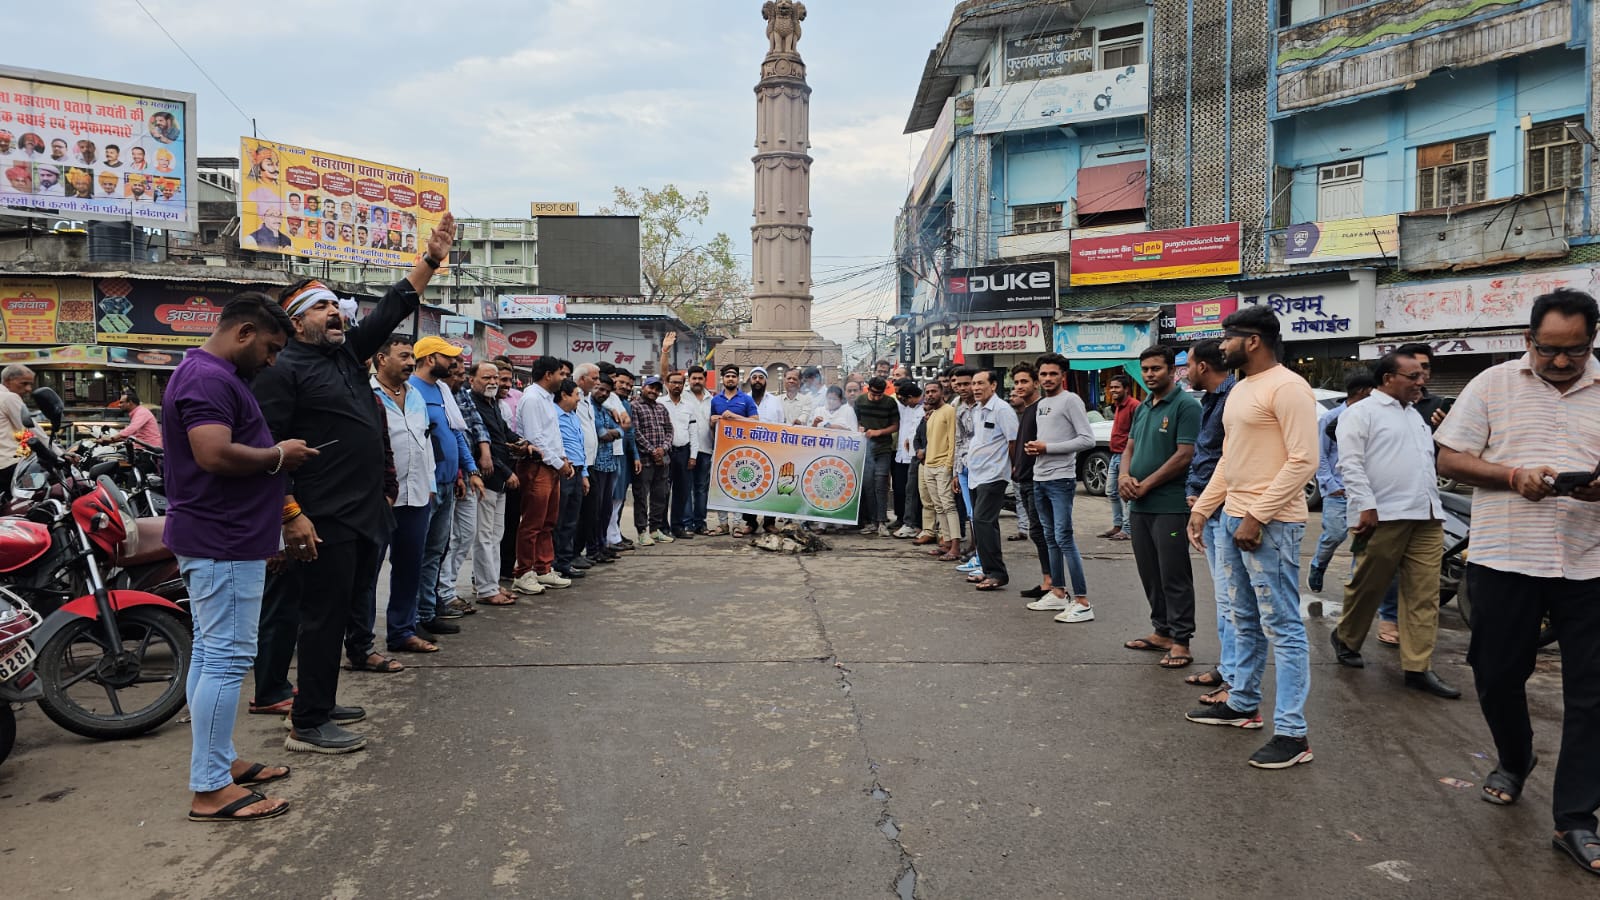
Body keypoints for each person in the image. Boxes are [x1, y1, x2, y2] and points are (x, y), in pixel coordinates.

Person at [251, 212, 455, 754]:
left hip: (365, 510)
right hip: (320, 516)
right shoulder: (283, 370)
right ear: (296, 323)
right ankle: (309, 723)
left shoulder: (343, 354)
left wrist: (431, 260)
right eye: (321, 307)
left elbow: (392, 307)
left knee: (339, 611)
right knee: (318, 617)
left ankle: (318, 698)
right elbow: (268, 449)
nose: (335, 313)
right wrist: (290, 513)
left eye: (336, 306)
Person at [1435, 289, 1600, 874]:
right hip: (1506, 557)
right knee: (1496, 673)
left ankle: (1576, 819)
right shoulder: (1492, 384)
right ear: (1528, 338)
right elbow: (1449, 458)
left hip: (1590, 562)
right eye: (1547, 350)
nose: (1558, 362)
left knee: (1592, 694)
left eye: (1574, 352)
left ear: (1592, 340)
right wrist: (1511, 475)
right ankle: (1515, 755)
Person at [162, 292, 317, 823]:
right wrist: (280, 455)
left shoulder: (209, 374)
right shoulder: (208, 379)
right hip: (220, 538)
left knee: (211, 654)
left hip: (221, 536)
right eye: (271, 348)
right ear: (245, 333)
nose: (273, 361)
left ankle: (219, 763)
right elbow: (212, 452)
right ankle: (209, 788)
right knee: (227, 659)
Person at [1185, 304, 1319, 770]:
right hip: (1234, 519)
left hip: (1271, 524)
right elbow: (1231, 459)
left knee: (1282, 626)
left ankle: (1293, 733)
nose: (1221, 346)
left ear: (1253, 341)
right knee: (1242, 616)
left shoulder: (1289, 387)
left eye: (1227, 338)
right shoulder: (1241, 388)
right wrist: (1204, 508)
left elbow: (1304, 460)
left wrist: (1257, 516)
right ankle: (1242, 703)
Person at [1329, 352, 1459, 699]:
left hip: (1427, 515)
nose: (1421, 382)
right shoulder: (1360, 413)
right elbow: (1350, 464)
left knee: (1424, 593)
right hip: (1382, 515)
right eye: (1413, 376)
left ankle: (1418, 667)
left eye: (1423, 375)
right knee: (1369, 585)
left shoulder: (1416, 417)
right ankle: (1346, 637)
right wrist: (1366, 507)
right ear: (1388, 378)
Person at [1120, 345, 1201, 668]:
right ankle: (1162, 631)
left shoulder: (1185, 406)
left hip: (1169, 504)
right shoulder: (1144, 407)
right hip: (1140, 506)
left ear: (1172, 370)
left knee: (1173, 574)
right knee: (1149, 572)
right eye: (1146, 369)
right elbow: (1129, 446)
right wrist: (1124, 476)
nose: (1150, 374)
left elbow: (1184, 455)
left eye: (1156, 368)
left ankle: (1181, 640)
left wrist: (1146, 484)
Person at [410, 338, 484, 634]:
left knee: (435, 551)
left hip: (447, 483)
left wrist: (469, 470)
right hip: (423, 485)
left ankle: (428, 612)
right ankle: (412, 617)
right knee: (416, 552)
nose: (454, 363)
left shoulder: (443, 390)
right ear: (430, 359)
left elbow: (455, 434)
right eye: (448, 358)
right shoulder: (412, 389)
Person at [368, 337, 437, 654]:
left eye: (412, 356)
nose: (411, 362)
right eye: (404, 356)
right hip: (379, 498)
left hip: (417, 494)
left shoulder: (416, 396)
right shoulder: (366, 394)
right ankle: (362, 639)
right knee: (367, 571)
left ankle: (402, 632)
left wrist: (431, 483)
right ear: (381, 359)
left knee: (409, 566)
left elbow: (424, 442)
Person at [1181, 339, 1239, 699]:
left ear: (1202, 367)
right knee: (1223, 596)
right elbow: (1205, 453)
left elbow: (1229, 459)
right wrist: (1195, 491)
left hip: (1228, 508)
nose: (1185, 371)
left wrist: (1206, 498)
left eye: (1187, 364)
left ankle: (1236, 681)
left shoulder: (1234, 399)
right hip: (1208, 505)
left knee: (1233, 600)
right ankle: (1228, 667)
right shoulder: (1213, 400)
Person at [1024, 353, 1096, 622]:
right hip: (1040, 477)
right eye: (1043, 374)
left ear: (1063, 376)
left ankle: (1082, 601)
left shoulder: (1071, 400)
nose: (1047, 379)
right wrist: (1037, 448)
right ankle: (1057, 593)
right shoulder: (1043, 403)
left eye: (1053, 374)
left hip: (1061, 480)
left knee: (1064, 538)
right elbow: (1049, 439)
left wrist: (1048, 448)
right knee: (1050, 537)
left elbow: (1087, 440)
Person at [1307, 370, 1377, 595]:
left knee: (1363, 541)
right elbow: (1321, 454)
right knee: (1335, 535)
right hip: (1338, 491)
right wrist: (1330, 485)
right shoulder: (1331, 418)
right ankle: (1318, 564)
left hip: (1364, 492)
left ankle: (1354, 587)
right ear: (1363, 391)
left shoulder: (1373, 418)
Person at [513, 356, 572, 594]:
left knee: (548, 522)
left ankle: (543, 569)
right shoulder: (531, 399)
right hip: (537, 466)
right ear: (548, 375)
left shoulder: (547, 399)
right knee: (532, 523)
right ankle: (524, 573)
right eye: (561, 374)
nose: (564, 378)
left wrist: (563, 459)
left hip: (552, 466)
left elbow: (552, 436)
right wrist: (559, 463)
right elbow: (536, 439)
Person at [464, 362, 519, 605]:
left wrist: (524, 443)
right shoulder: (472, 405)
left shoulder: (493, 405)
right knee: (484, 536)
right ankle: (485, 588)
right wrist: (507, 471)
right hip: (487, 478)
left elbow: (505, 435)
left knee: (496, 534)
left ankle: (492, 583)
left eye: (496, 378)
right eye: (487, 377)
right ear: (471, 379)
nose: (493, 382)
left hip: (500, 481)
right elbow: (481, 445)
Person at [966, 370, 1018, 590]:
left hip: (994, 474)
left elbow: (1013, 440)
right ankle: (987, 570)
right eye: (974, 384)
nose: (976, 388)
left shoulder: (1002, 409)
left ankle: (998, 573)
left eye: (981, 384)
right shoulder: (978, 410)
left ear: (994, 385)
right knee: (984, 524)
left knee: (982, 520)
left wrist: (1013, 467)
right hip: (976, 474)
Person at [1007, 364, 1051, 596]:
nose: (1019, 387)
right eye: (1016, 383)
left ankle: (1051, 584)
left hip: (1037, 480)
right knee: (1036, 532)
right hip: (1023, 479)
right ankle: (1047, 580)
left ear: (1036, 383)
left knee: (1041, 532)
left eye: (1024, 381)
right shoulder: (1025, 410)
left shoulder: (1041, 409)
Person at [710, 364, 758, 535]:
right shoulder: (715, 400)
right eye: (727, 376)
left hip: (741, 451)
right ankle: (723, 524)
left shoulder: (746, 399)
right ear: (722, 379)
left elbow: (755, 421)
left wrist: (736, 417)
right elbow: (711, 425)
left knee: (740, 487)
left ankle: (737, 523)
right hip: (721, 450)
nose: (730, 379)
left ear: (738, 379)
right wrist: (713, 420)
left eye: (733, 376)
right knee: (719, 487)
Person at [914, 381, 960, 558]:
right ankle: (946, 542)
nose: (930, 394)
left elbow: (953, 441)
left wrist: (949, 466)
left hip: (943, 466)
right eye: (927, 392)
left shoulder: (949, 411)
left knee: (948, 505)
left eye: (934, 391)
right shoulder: (931, 415)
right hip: (929, 465)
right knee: (938, 507)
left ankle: (955, 546)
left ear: (943, 393)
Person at [631, 376, 675, 545]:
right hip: (644, 460)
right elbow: (635, 432)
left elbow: (669, 430)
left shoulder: (661, 408)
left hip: (662, 459)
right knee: (641, 496)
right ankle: (642, 531)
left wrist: (663, 448)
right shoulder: (634, 406)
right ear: (643, 387)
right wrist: (651, 450)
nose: (654, 392)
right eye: (651, 388)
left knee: (660, 496)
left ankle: (655, 530)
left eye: (657, 389)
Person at [585, 376, 624, 564]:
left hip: (610, 464)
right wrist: (613, 432)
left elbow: (621, 429)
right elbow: (602, 434)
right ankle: (593, 549)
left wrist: (614, 432)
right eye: (600, 389)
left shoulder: (605, 408)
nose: (603, 393)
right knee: (596, 510)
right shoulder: (588, 407)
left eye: (607, 391)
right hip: (596, 464)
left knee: (606, 508)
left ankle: (602, 545)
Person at [553, 379, 589, 579]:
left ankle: (565, 561)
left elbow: (579, 446)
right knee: (557, 519)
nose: (578, 399)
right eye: (576, 394)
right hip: (562, 471)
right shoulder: (552, 415)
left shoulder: (573, 416)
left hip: (577, 470)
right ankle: (553, 561)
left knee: (571, 519)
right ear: (565, 395)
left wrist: (584, 475)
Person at [854, 376, 899, 536]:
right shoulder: (859, 401)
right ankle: (872, 521)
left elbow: (895, 425)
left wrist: (879, 432)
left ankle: (882, 521)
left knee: (881, 484)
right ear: (868, 389)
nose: (876, 397)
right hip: (865, 449)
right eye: (874, 394)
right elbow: (854, 421)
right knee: (868, 485)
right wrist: (859, 428)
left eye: (880, 395)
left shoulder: (889, 403)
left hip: (883, 448)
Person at [657, 368, 699, 540]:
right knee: (663, 492)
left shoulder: (689, 406)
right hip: (665, 453)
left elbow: (693, 432)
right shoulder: (659, 403)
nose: (676, 385)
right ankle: (662, 527)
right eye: (673, 382)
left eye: (680, 383)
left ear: (684, 385)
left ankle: (678, 526)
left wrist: (693, 456)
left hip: (683, 452)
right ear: (667, 384)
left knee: (682, 493)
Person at [1102, 374, 1139, 541]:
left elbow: (1137, 434)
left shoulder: (1134, 406)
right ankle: (1117, 526)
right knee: (1111, 491)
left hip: (1127, 458)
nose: (1113, 390)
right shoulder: (1117, 405)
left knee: (1127, 494)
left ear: (1126, 389)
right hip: (1115, 455)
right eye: (1111, 387)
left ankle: (1128, 529)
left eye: (1116, 387)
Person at [685, 365, 715, 535]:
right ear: (689, 380)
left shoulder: (712, 399)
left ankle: (700, 522)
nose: (697, 381)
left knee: (701, 488)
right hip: (686, 449)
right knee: (686, 488)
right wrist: (666, 351)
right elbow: (666, 375)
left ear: (705, 380)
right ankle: (687, 523)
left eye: (700, 378)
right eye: (693, 378)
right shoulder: (682, 396)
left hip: (706, 448)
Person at [894, 380, 925, 538]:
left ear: (912, 397)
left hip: (919, 455)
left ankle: (913, 524)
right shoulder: (907, 407)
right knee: (905, 491)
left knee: (915, 493)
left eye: (904, 399)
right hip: (904, 455)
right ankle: (908, 521)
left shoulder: (925, 408)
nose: (902, 402)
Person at [0, 364, 36, 492]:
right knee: (30, 498)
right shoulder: (9, 397)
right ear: (8, 381)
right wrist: (60, 455)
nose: (28, 389)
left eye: (30, 384)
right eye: (24, 383)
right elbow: (31, 430)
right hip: (11, 466)